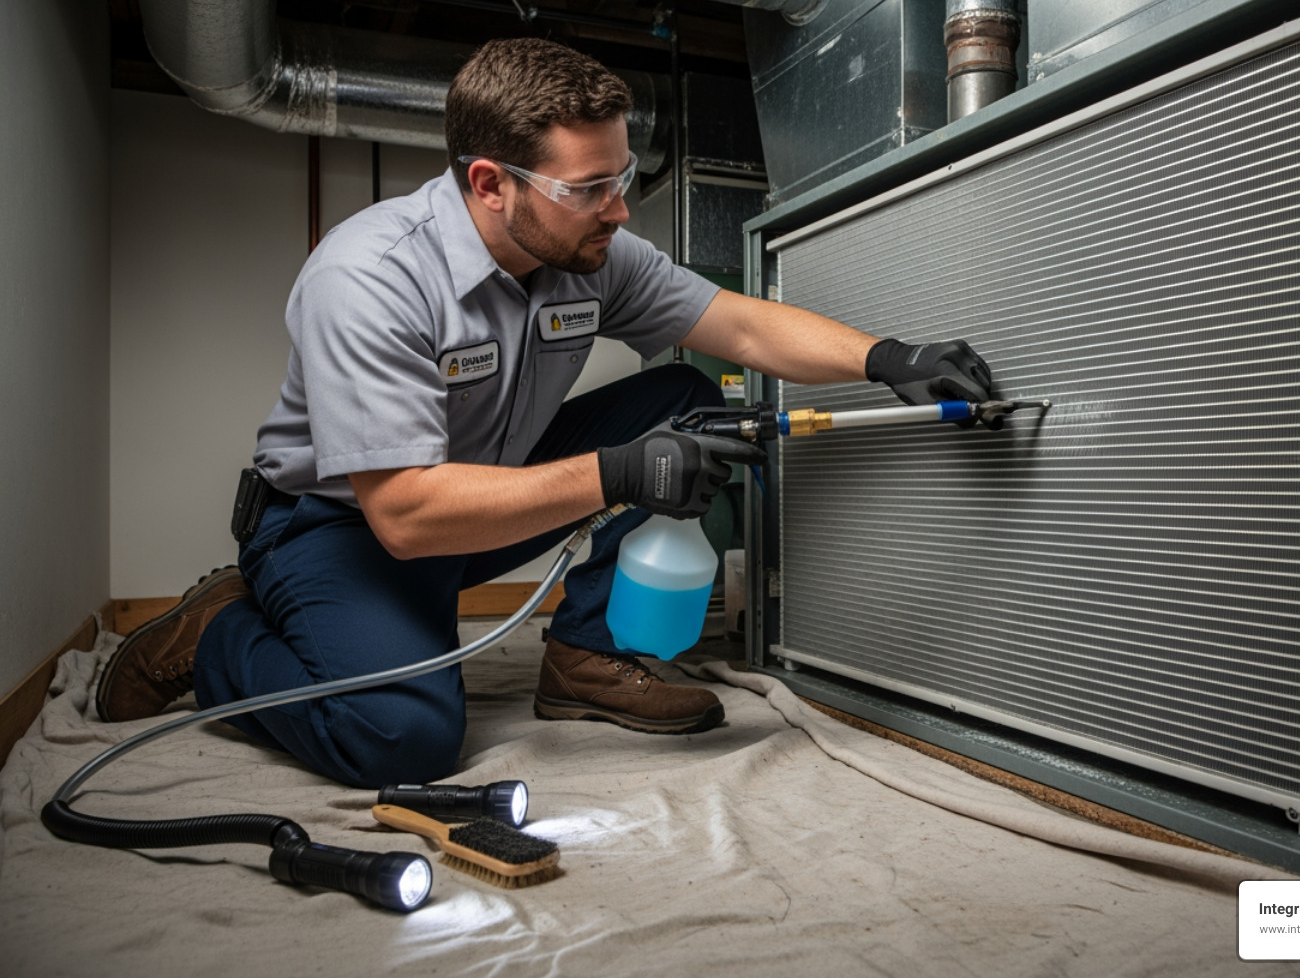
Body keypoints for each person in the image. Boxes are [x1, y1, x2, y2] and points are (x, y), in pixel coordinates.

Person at [94, 38, 997, 788]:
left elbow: (741, 326)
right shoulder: (370, 278)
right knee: (398, 739)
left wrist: (888, 359)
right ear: (491, 183)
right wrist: (615, 472)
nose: (620, 207)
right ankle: (217, 635)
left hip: (486, 491)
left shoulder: (594, 253)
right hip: (340, 526)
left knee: (688, 398)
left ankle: (585, 660)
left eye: (624, 176)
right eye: (588, 189)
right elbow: (405, 516)